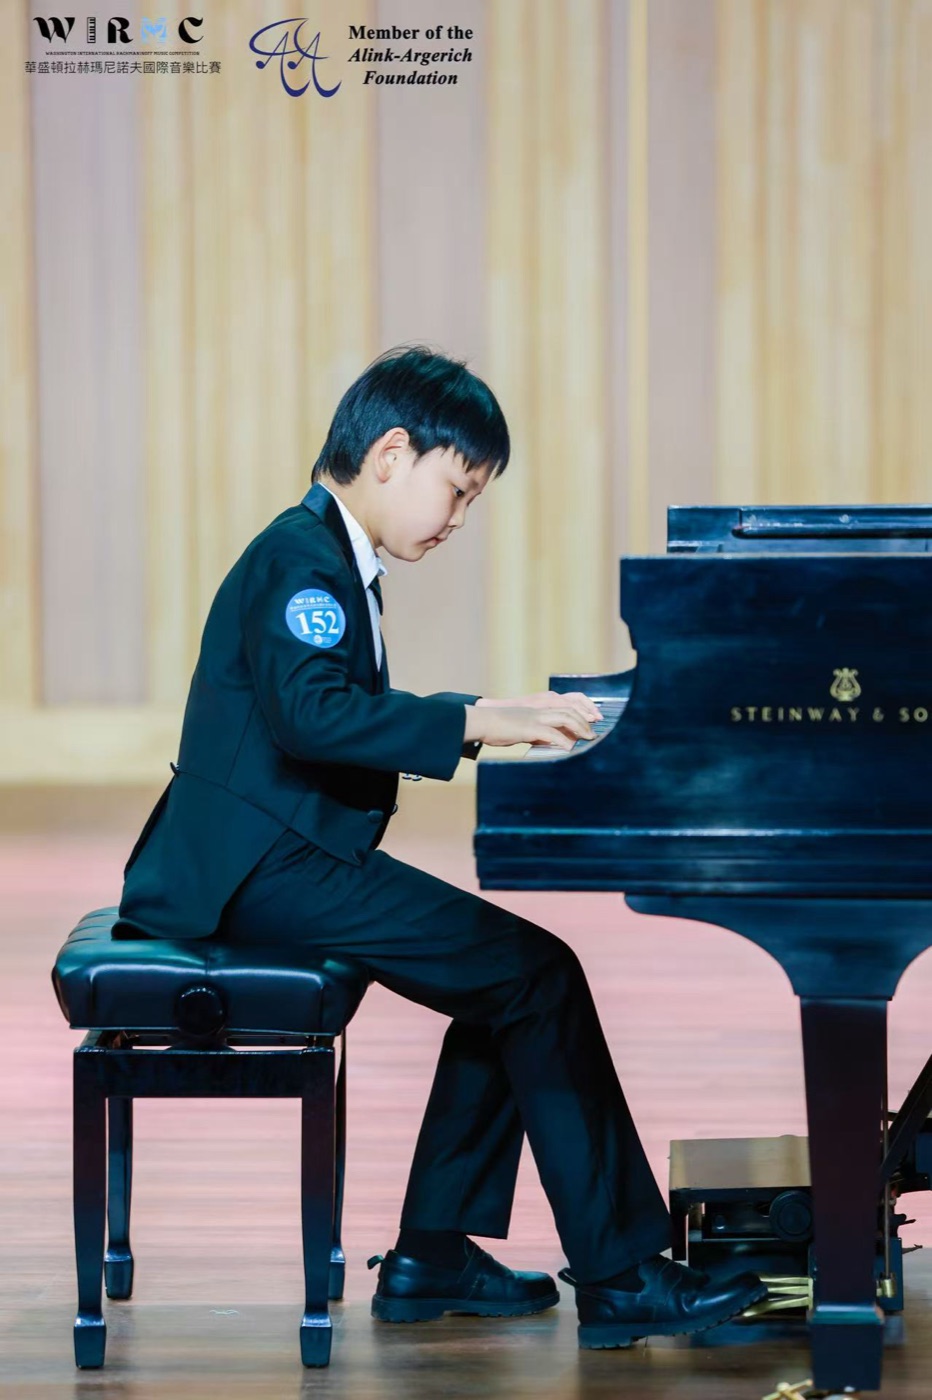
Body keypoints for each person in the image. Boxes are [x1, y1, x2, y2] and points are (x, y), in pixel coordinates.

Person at [115, 345, 765, 1348]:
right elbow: (312, 716)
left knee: (506, 977)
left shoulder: (322, 553)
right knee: (533, 974)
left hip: (273, 856)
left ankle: (429, 1255)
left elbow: (320, 715)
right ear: (387, 453)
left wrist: (486, 720)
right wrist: (481, 717)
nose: (456, 519)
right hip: (255, 870)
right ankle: (624, 1274)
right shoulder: (301, 560)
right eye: (455, 490)